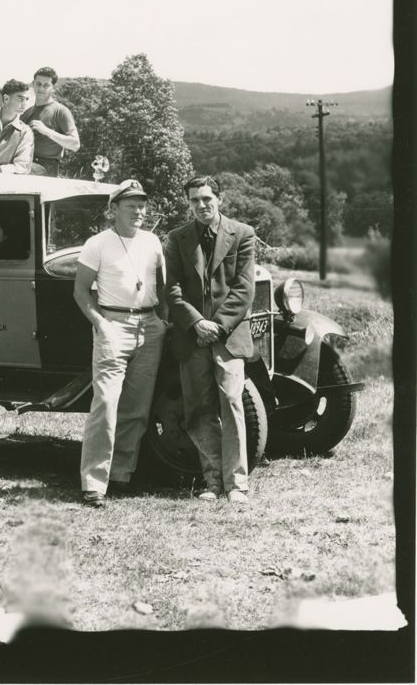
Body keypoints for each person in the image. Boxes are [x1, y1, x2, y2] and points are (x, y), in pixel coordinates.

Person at [72, 179, 166, 509]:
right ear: (114, 211)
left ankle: (122, 474)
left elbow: (163, 287)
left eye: (142, 206)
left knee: (136, 408)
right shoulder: (97, 244)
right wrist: (101, 325)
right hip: (112, 325)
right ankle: (93, 483)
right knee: (106, 404)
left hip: (149, 327)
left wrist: (161, 322)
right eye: (131, 206)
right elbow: (81, 292)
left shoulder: (153, 242)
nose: (139, 211)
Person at [165, 176, 257, 504]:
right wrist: (196, 324)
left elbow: (245, 289)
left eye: (207, 198)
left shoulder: (243, 234)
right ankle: (212, 482)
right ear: (187, 203)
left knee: (232, 404)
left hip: (228, 336)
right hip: (192, 338)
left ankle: (237, 485)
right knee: (198, 409)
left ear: (220, 199)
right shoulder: (177, 239)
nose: (202, 205)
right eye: (194, 200)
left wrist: (215, 326)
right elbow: (172, 290)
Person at [21, 66, 80, 176]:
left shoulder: (61, 111)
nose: (41, 88)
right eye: (38, 84)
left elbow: (75, 145)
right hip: (25, 163)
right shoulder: (27, 112)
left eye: (46, 85)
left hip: (46, 168)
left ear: (53, 87)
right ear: (33, 84)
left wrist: (47, 131)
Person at [0, 80, 34, 175]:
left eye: (26, 99)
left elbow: (22, 166)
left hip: (3, 182)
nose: (24, 104)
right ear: (6, 99)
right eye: (20, 99)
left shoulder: (25, 132)